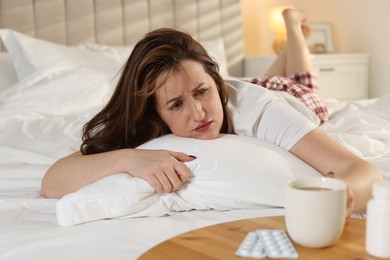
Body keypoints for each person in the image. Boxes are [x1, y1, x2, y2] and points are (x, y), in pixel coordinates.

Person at [41, 9, 382, 219]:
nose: (199, 112)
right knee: (266, 80)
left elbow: (362, 170)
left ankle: (294, 32)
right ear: (156, 112)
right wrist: (128, 158)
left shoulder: (263, 111)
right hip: (248, 86)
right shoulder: (147, 122)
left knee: (301, 83)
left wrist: (346, 195)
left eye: (202, 92)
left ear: (216, 83)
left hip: (290, 98)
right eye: (176, 105)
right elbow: (53, 181)